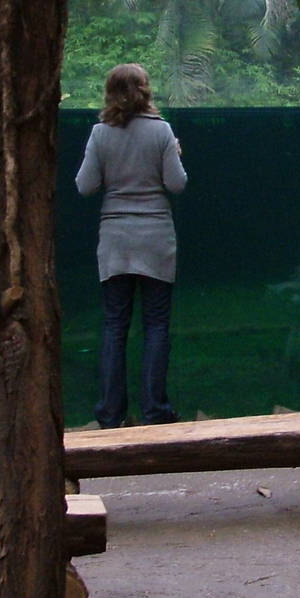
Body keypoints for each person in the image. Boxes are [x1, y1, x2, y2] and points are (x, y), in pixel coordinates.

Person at [75, 63, 187, 428]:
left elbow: (85, 185)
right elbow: (176, 184)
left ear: (110, 92)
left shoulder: (99, 134)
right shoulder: (162, 132)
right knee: (155, 325)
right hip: (155, 235)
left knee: (114, 325)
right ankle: (156, 410)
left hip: (116, 238)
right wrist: (176, 153)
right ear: (145, 90)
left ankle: (110, 414)